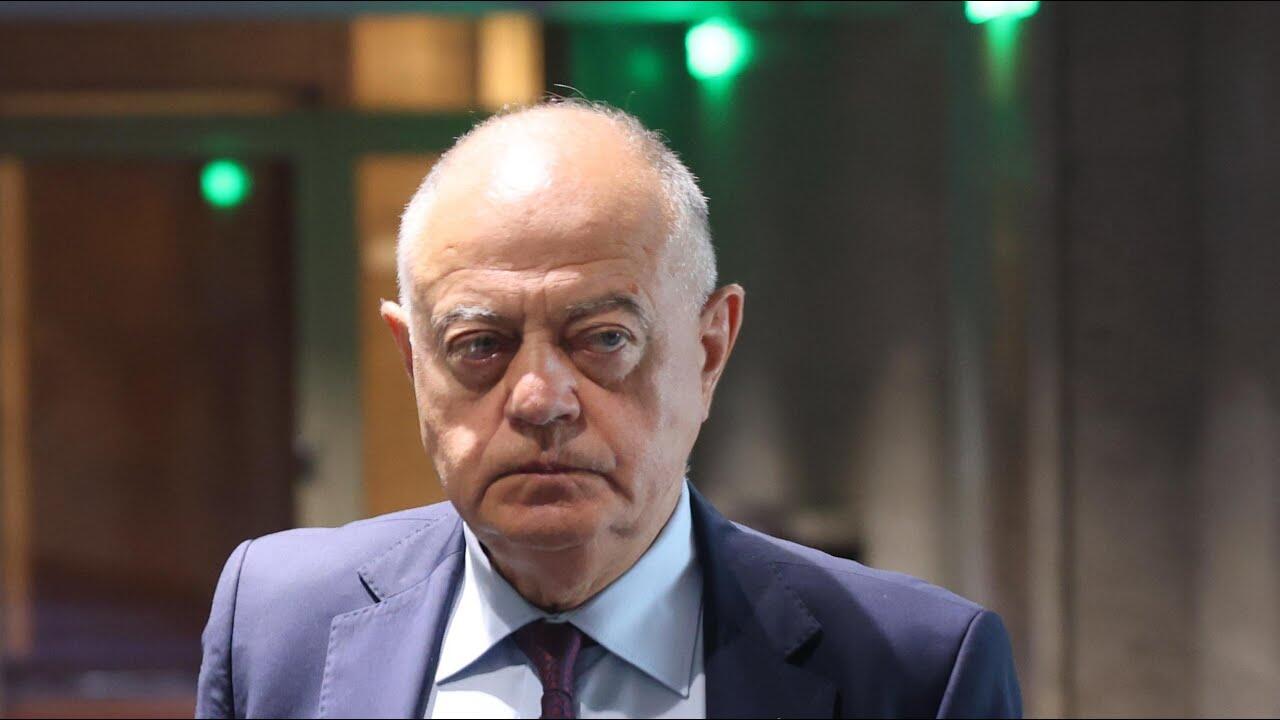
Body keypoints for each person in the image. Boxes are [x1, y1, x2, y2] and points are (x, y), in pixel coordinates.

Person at [195, 99, 1021, 719]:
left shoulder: (915, 671)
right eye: (480, 345)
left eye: (603, 339)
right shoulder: (276, 623)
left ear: (709, 348)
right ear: (413, 358)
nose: (540, 400)